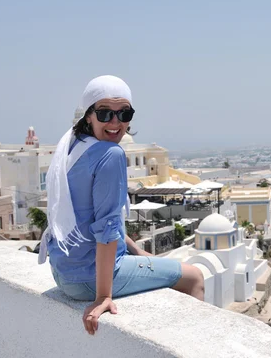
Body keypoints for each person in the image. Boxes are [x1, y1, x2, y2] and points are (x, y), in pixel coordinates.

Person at [39, 75, 204, 336]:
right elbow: (105, 229)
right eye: (105, 114)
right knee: (194, 277)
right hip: (88, 280)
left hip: (62, 274)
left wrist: (138, 251)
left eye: (124, 113)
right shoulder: (110, 154)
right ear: (89, 115)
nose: (116, 123)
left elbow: (99, 218)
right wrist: (104, 296)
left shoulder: (73, 146)